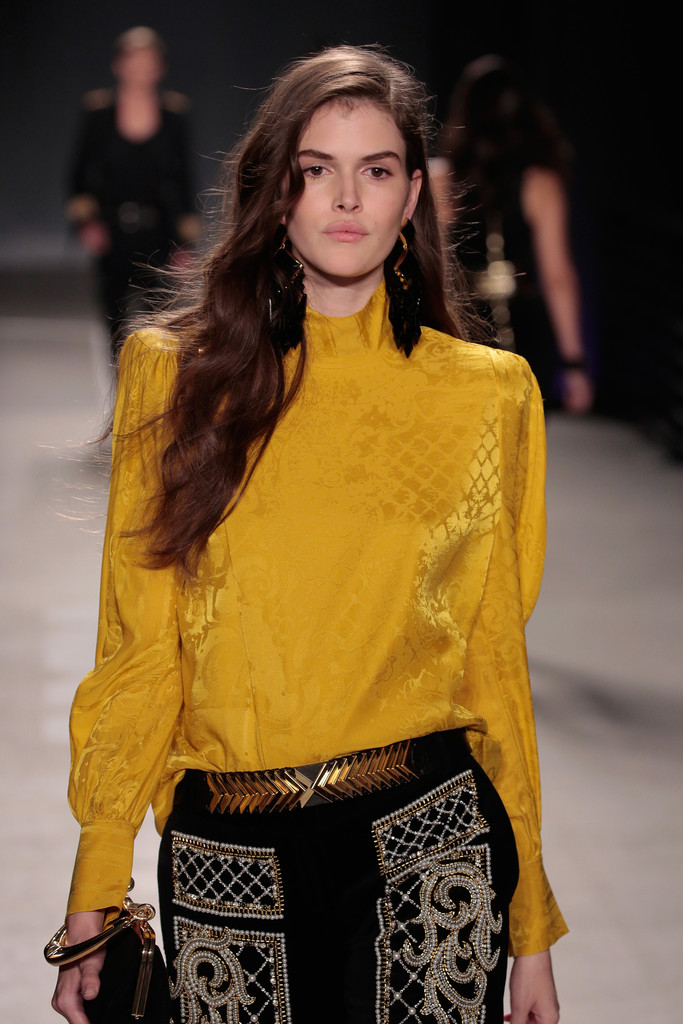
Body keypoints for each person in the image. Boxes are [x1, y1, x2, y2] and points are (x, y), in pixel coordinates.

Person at [51, 45, 567, 1024]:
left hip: (429, 838)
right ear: (273, 191)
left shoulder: (487, 395)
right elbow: (139, 646)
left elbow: (493, 659)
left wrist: (529, 920)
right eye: (315, 168)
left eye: (376, 169)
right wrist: (97, 880)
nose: (346, 197)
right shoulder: (174, 376)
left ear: (411, 195)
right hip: (228, 850)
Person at [432, 54, 594, 413]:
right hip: (523, 333)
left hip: (457, 332)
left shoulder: (439, 180)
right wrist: (574, 363)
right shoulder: (541, 183)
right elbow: (557, 276)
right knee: (520, 442)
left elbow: (432, 271)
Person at [66, 26, 200, 364]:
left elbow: (184, 179)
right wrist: (87, 225)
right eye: (134, 61)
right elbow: (78, 175)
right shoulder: (98, 114)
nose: (141, 70)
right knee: (114, 322)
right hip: (112, 233)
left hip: (160, 233)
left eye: (148, 62)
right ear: (118, 65)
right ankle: (121, 390)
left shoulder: (174, 116)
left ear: (160, 69)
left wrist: (186, 243)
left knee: (161, 327)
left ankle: (153, 390)